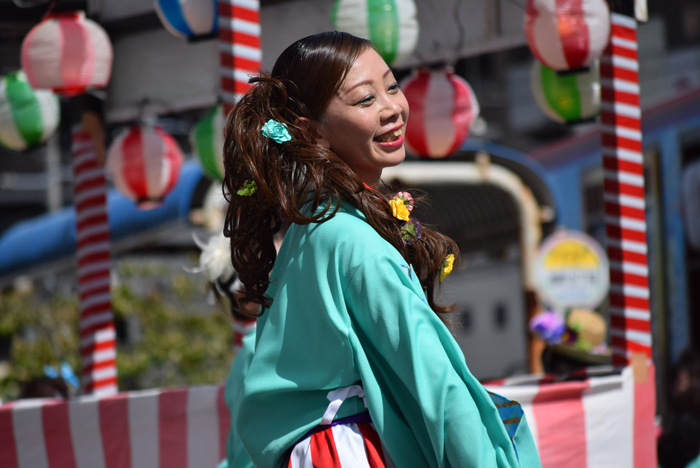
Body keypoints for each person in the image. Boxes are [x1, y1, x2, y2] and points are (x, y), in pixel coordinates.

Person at [222, 31, 541, 468]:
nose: (392, 108)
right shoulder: (349, 239)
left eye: (391, 86)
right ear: (311, 132)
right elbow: (434, 381)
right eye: (364, 100)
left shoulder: (317, 227)